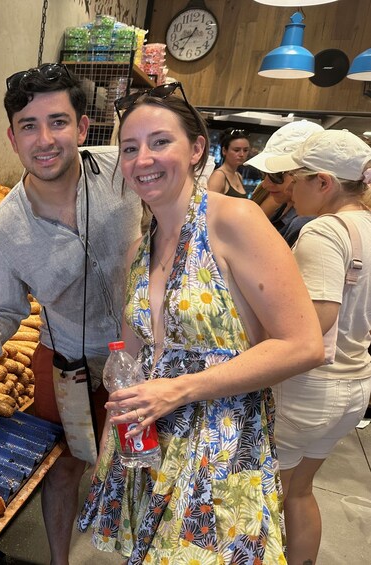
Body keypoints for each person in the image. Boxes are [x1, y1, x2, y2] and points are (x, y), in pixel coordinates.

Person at [77, 82, 324, 564]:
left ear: (195, 150)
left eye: (159, 142)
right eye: (130, 148)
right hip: (149, 446)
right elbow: (129, 354)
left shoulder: (234, 220)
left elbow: (303, 343)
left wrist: (180, 389)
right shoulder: (138, 250)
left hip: (222, 447)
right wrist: (113, 434)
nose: (142, 158)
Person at [0, 63, 143, 565]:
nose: (45, 138)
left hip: (144, 357)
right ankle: (59, 561)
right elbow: (3, 309)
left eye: (57, 121)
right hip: (66, 362)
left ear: (82, 128)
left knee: (142, 461)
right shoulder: (6, 227)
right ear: (12, 138)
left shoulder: (127, 173)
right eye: (29, 126)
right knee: (64, 466)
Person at [264, 129, 371, 565]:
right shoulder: (365, 224)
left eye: (298, 177)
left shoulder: (325, 230)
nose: (290, 187)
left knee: (266, 498)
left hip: (309, 389)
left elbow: (315, 320)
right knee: (301, 490)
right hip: (355, 382)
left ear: (324, 182)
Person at [243, 120, 324, 246]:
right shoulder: (283, 206)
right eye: (264, 174)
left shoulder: (310, 227)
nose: (265, 184)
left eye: (277, 175)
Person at [206, 127, 250, 197]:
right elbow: (208, 205)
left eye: (245, 150)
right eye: (236, 150)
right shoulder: (219, 176)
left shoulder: (238, 176)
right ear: (224, 151)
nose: (242, 154)